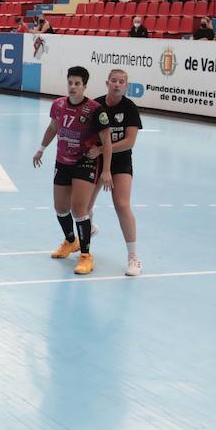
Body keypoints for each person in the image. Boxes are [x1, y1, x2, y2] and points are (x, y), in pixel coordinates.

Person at [33, 66, 112, 276]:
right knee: (60, 207)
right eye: (70, 83)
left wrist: (106, 170)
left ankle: (86, 255)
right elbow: (53, 128)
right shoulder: (58, 105)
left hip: (85, 161)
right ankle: (70, 241)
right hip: (62, 161)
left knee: (79, 208)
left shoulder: (95, 110)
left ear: (85, 86)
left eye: (77, 83)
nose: (73, 87)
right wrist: (41, 149)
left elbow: (107, 141)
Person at [86, 69, 143, 277]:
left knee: (121, 204)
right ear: (107, 82)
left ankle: (133, 257)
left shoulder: (129, 108)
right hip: (96, 160)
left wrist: (103, 150)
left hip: (120, 161)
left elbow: (130, 142)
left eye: (121, 82)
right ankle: (88, 230)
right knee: (83, 207)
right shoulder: (95, 105)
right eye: (113, 81)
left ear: (126, 86)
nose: (117, 84)